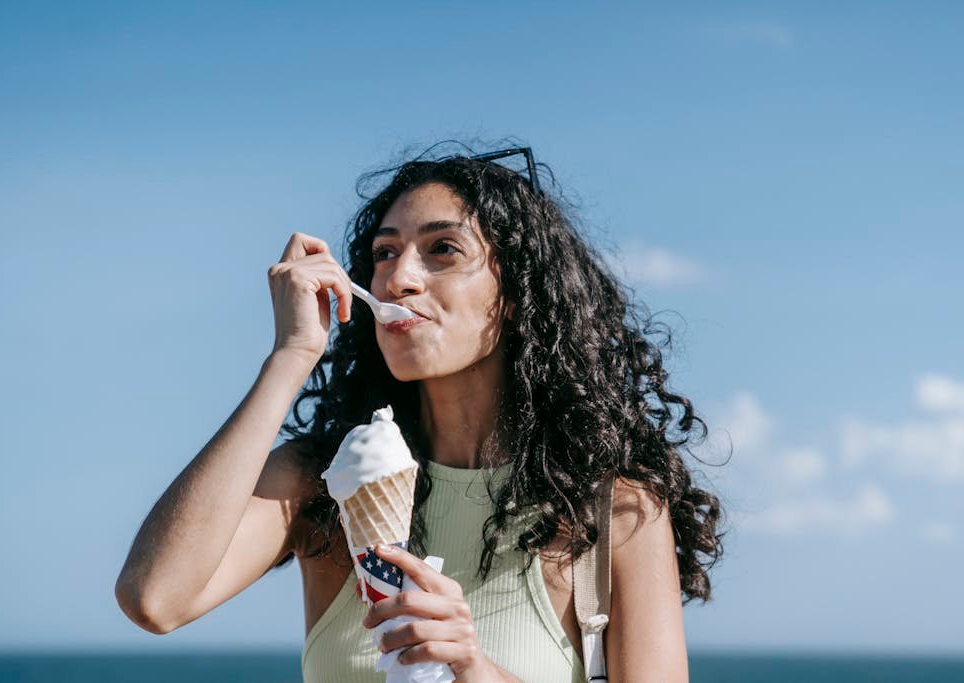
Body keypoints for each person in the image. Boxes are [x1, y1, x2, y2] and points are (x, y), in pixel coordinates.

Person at [115, 143, 725, 682]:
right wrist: (292, 354)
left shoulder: (614, 511)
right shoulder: (323, 483)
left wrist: (475, 669)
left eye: (442, 250)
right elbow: (155, 599)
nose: (398, 278)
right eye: (384, 253)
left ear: (516, 295)